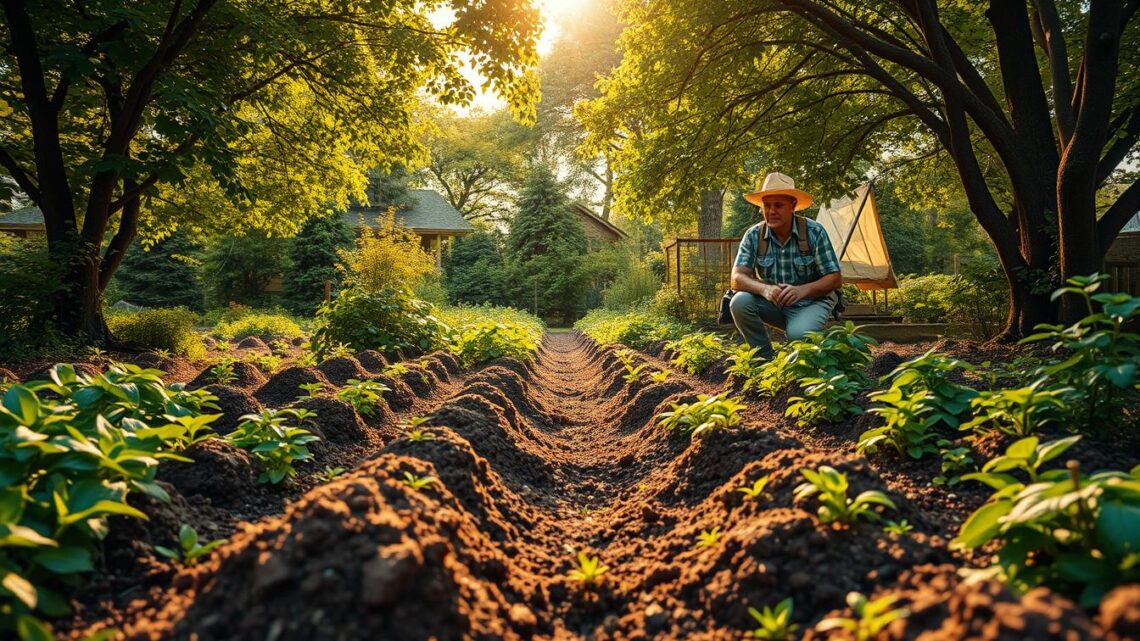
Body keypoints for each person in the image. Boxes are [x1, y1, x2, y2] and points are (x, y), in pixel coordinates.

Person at [729, 172, 842, 359]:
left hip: (810, 303)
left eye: (778, 205)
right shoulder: (753, 235)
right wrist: (764, 290)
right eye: (767, 206)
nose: (771, 211)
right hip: (773, 304)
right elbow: (737, 278)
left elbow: (835, 278)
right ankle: (764, 360)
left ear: (793, 206)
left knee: (799, 336)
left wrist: (801, 291)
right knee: (739, 302)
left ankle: (811, 347)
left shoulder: (814, 232)